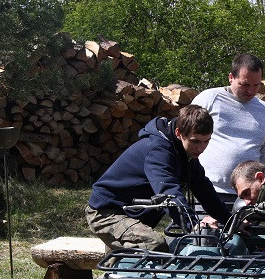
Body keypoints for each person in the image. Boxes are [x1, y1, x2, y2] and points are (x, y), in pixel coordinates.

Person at [86, 104, 231, 251]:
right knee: (154, 245)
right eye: (195, 141)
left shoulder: (184, 151)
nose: (201, 148)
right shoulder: (158, 151)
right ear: (179, 133)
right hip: (107, 212)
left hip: (132, 213)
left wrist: (230, 221)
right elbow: (168, 192)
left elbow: (203, 188)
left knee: (121, 262)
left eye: (206, 141)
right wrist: (193, 225)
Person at [192, 54, 265, 202]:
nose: (251, 91)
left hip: (248, 195)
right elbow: (187, 137)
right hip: (208, 189)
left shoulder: (264, 110)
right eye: (245, 85)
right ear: (231, 77)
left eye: (256, 85)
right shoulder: (209, 99)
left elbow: (264, 151)